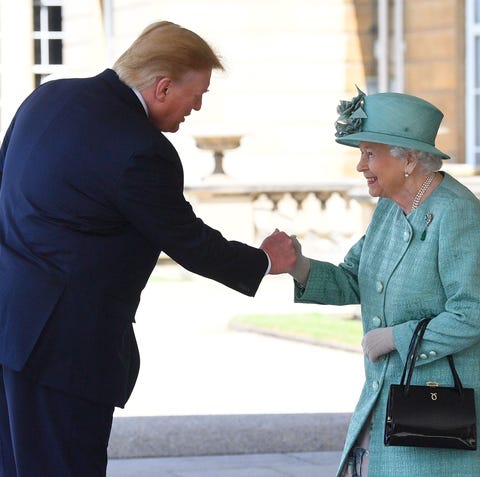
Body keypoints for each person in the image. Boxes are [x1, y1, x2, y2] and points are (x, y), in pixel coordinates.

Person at [0, 21, 296, 477]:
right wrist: (265, 260)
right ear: (162, 87)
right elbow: (187, 240)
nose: (197, 107)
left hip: (9, 329)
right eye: (197, 95)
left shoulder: (46, 98)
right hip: (65, 350)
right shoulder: (141, 150)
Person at [287, 88, 480, 475]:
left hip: (435, 414)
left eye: (370, 153)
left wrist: (397, 337)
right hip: (384, 404)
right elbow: (353, 279)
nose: (360, 165)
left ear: (408, 159)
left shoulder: (457, 213)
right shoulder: (389, 209)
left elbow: (472, 313)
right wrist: (298, 265)